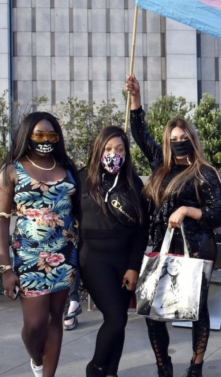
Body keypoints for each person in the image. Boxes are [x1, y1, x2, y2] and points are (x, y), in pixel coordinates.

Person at [126, 75, 221, 377]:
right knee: (152, 311)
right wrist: (135, 100)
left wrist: (188, 210)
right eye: (173, 139)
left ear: (192, 140)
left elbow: (219, 214)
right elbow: (138, 132)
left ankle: (195, 367)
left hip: (195, 248)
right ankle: (163, 366)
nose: (179, 143)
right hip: (161, 245)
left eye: (184, 138)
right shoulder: (160, 164)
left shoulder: (204, 173)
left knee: (196, 310)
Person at [0, 112, 80, 377]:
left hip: (64, 256)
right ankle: (36, 359)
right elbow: (1, 223)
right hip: (27, 260)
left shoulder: (68, 169)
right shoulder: (11, 170)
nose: (46, 140)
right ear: (28, 136)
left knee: (56, 319)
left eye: (51, 135)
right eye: (39, 135)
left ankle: (48, 375)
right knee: (35, 326)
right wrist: (5, 268)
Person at [79, 126, 149, 377]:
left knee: (117, 323)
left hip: (124, 261)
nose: (113, 153)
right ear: (99, 149)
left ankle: (111, 373)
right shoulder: (81, 178)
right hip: (93, 259)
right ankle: (95, 368)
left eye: (119, 149)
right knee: (116, 318)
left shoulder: (133, 182)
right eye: (108, 148)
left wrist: (133, 266)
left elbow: (142, 229)